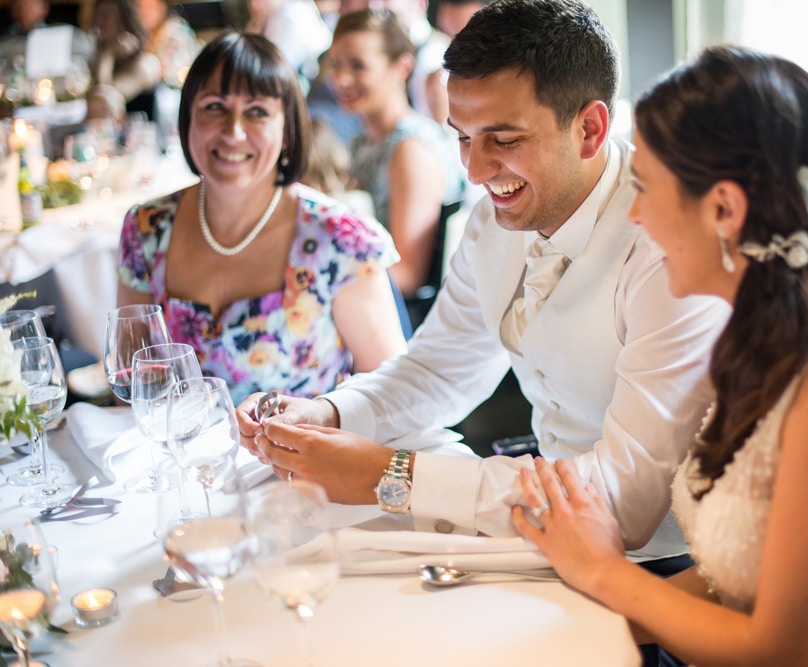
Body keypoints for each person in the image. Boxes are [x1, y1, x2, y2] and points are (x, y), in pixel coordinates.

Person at [510, 45, 808, 665]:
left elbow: (784, 650)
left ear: (723, 209)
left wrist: (604, 571)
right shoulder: (766, 349)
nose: (635, 215)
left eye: (645, 189)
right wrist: (565, 627)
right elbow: (737, 583)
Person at [237, 0, 727, 575]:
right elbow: (440, 367)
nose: (475, 169)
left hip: (669, 566)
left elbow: (626, 500)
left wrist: (390, 474)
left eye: (505, 139)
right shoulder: (492, 221)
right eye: (464, 137)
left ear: (590, 128)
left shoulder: (669, 247)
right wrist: (330, 413)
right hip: (538, 523)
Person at [116, 32, 406, 404]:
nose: (234, 131)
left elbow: (390, 395)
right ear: (186, 118)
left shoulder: (342, 238)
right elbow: (133, 382)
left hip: (302, 457)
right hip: (180, 457)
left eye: (257, 112)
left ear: (287, 130)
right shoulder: (146, 228)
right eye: (214, 106)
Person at [326, 8, 463, 297]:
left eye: (357, 66)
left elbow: (408, 274)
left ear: (402, 67)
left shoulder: (411, 149)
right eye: (335, 64)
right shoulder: (363, 141)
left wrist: (324, 281)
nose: (341, 79)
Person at [87, 0, 160, 121]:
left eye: (105, 16)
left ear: (124, 21)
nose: (98, 23)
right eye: (97, 16)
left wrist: (107, 55)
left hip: (139, 137)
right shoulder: (101, 57)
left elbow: (102, 101)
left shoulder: (144, 65)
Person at [134, 0, 200, 89]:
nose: (144, 12)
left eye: (150, 7)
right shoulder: (136, 34)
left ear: (161, 8)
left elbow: (181, 70)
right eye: (140, 7)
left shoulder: (174, 30)